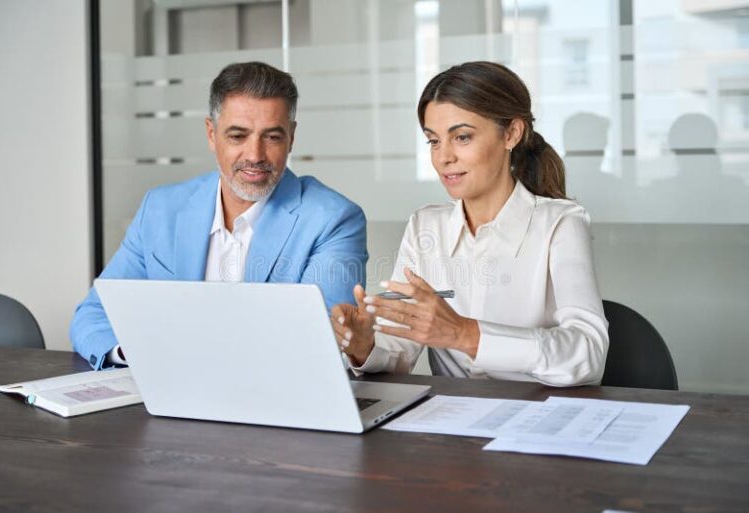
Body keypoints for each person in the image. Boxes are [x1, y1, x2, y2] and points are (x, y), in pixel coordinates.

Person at [72, 61, 368, 370]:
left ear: (291, 136)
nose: (255, 155)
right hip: (166, 396)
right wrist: (137, 353)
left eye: (272, 137)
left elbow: (319, 342)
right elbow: (93, 315)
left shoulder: (333, 220)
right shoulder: (161, 210)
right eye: (238, 136)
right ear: (211, 134)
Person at [332, 61, 608, 386]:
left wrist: (466, 334)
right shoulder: (426, 226)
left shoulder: (560, 223)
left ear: (512, 134)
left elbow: (587, 353)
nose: (443, 157)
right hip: (452, 424)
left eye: (461, 137)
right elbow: (400, 348)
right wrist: (365, 346)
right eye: (433, 141)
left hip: (536, 418)